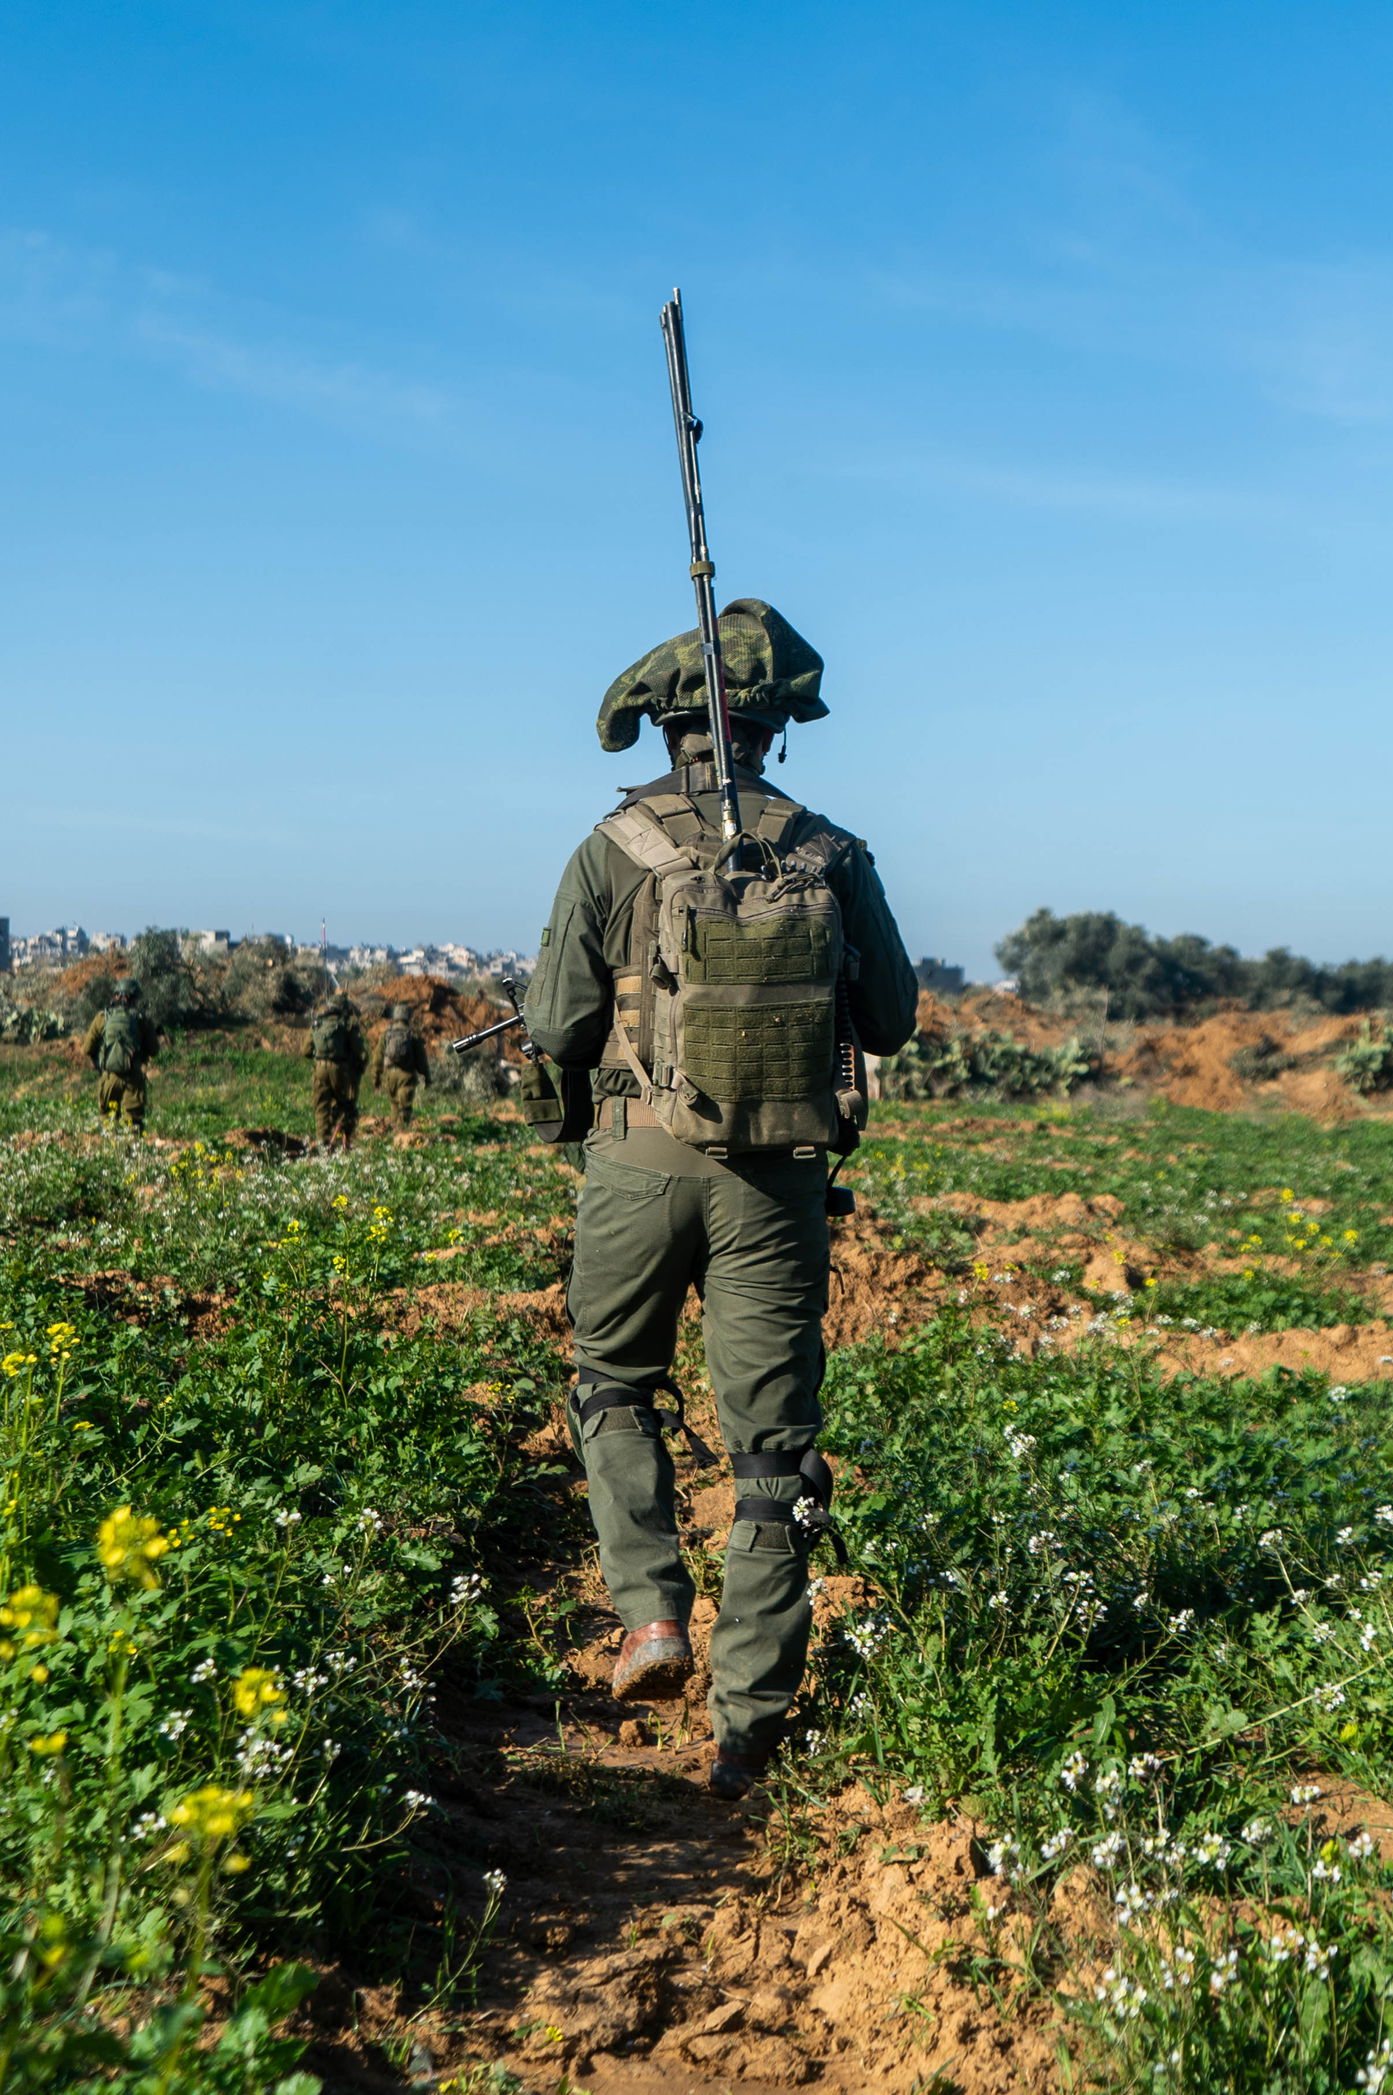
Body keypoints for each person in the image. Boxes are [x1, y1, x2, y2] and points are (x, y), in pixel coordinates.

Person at [524, 598, 917, 1799]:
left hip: (636, 1172)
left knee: (612, 1386)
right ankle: (746, 1729)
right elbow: (892, 1021)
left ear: (669, 732)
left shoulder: (610, 849)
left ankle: (647, 1618)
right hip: (778, 1193)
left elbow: (554, 1026)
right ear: (769, 732)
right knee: (772, 1457)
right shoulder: (833, 854)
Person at [82, 978, 161, 1133]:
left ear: (116, 995)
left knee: (107, 1120)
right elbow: (154, 1050)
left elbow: (87, 1048)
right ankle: (131, 1152)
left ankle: (109, 1152)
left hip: (109, 1077)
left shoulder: (102, 1018)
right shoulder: (141, 1019)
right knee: (133, 1122)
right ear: (134, 998)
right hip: (133, 1078)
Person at [303, 992, 369, 1149]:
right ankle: (343, 1141)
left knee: (321, 1107)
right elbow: (361, 1053)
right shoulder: (347, 1025)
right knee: (346, 1105)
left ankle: (323, 1143)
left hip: (319, 1069)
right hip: (340, 1070)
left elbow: (305, 1051)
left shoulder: (317, 1024)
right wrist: (359, 1069)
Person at [372, 1001, 432, 1128]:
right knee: (405, 1107)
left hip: (390, 1075)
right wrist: (427, 1077)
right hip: (407, 1075)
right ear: (408, 1017)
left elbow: (378, 1058)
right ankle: (402, 1132)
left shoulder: (386, 1034)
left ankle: (395, 1131)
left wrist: (376, 1078)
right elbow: (422, 1060)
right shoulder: (413, 1035)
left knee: (394, 1103)